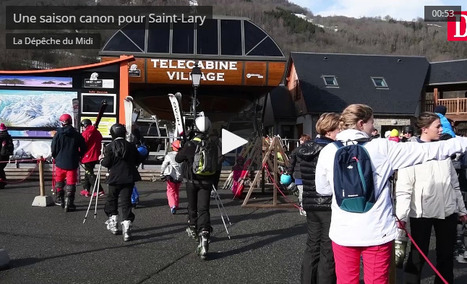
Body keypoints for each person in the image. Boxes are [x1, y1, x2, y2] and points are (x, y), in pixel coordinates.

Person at [315, 104, 467, 284]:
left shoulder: (328, 151)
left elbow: (322, 189)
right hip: (377, 231)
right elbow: (429, 151)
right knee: (377, 280)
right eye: (372, 123)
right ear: (361, 123)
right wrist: (462, 142)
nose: (374, 127)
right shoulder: (381, 147)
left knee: (346, 280)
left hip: (343, 231)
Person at [395, 112, 467, 284]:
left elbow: (454, 184)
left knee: (446, 255)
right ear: (424, 129)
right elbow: (404, 190)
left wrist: (462, 210)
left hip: (447, 211)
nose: (441, 129)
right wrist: (402, 217)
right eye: (438, 126)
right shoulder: (410, 153)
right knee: (418, 255)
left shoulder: (444, 150)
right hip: (422, 213)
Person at [298, 113, 340, 284]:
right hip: (327, 203)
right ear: (330, 131)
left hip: (310, 201)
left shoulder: (306, 148)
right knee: (328, 250)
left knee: (312, 246)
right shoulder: (333, 149)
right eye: (339, 129)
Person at [175, 116, 216, 260]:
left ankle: (193, 228)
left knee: (192, 207)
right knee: (204, 209)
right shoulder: (213, 144)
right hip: (207, 182)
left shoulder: (190, 144)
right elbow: (217, 165)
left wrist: (183, 147)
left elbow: (178, 159)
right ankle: (204, 233)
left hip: (192, 181)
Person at [101, 123, 142, 242]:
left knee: (112, 199)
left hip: (114, 178)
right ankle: (127, 226)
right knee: (126, 202)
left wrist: (102, 159)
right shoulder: (131, 146)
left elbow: (106, 163)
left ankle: (113, 223)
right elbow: (138, 159)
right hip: (128, 177)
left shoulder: (109, 147)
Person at [51, 114, 87, 212]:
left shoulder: (58, 134)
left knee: (59, 181)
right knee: (71, 183)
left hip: (60, 161)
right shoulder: (76, 134)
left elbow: (54, 148)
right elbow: (84, 147)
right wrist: (79, 155)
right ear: (71, 121)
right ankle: (69, 203)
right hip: (72, 162)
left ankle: (60, 199)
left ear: (62, 123)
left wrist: (56, 157)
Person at [287, 134, 312, 216]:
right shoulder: (312, 150)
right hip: (309, 174)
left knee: (301, 192)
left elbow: (292, 164)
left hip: (298, 174)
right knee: (308, 192)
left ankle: (302, 207)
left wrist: (289, 173)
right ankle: (305, 208)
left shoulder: (296, 151)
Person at [80, 119, 104, 197]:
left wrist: (79, 153)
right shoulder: (97, 132)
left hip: (88, 155)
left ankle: (98, 190)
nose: (82, 128)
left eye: (82, 126)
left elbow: (82, 144)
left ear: (85, 126)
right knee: (88, 171)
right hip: (95, 155)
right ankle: (86, 189)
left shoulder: (86, 133)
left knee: (89, 173)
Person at [160, 140, 183, 214]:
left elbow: (164, 165)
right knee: (176, 190)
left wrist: (162, 173)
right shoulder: (182, 155)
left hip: (171, 176)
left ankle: (173, 205)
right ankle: (176, 204)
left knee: (170, 190)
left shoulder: (169, 155)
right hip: (180, 176)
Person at [0, 123, 13, 189]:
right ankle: (3, 182)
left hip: (1, 155)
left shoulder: (1, 136)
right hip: (6, 155)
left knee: (0, 169)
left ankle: (2, 182)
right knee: (1, 168)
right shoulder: (9, 137)